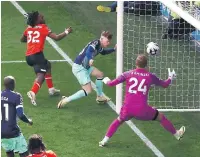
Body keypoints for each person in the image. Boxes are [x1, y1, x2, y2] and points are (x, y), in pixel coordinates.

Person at [99, 54, 185, 147]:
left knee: (118, 121)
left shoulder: (127, 74)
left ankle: (104, 140)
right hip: (142, 110)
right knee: (160, 117)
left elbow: (111, 84)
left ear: (136, 63)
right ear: (146, 65)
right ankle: (177, 134)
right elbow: (165, 85)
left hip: (127, 108)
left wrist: (106, 80)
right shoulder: (150, 76)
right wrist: (170, 78)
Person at [20, 11, 72, 106]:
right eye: (40, 17)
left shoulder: (29, 29)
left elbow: (22, 39)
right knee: (41, 75)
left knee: (47, 65)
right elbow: (56, 37)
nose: (43, 16)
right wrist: (66, 32)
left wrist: (32, 33)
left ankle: (51, 89)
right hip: (37, 55)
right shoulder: (43, 28)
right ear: (37, 20)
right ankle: (33, 92)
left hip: (29, 56)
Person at [57, 31, 116, 108]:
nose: (108, 43)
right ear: (101, 39)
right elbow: (89, 51)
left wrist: (114, 49)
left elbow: (104, 52)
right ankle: (66, 100)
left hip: (85, 67)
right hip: (79, 68)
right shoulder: (95, 43)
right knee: (87, 91)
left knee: (100, 74)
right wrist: (90, 59)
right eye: (107, 41)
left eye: (109, 41)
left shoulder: (100, 46)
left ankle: (100, 97)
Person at [1, 76, 33, 157]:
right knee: (25, 153)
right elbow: (21, 114)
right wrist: (28, 121)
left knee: (9, 152)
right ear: (13, 84)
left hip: (1, 132)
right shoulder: (16, 96)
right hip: (13, 131)